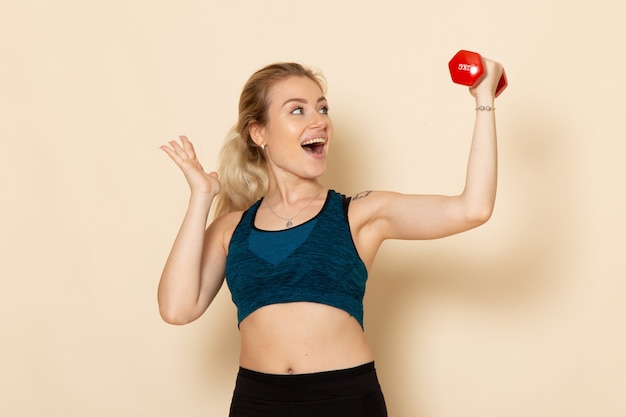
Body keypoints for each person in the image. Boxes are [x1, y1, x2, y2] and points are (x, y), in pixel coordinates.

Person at [158, 58, 504, 417]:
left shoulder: (358, 214)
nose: (318, 120)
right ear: (258, 133)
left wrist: (484, 101)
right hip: (256, 402)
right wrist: (201, 197)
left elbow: (473, 208)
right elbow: (176, 309)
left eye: (322, 108)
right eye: (298, 110)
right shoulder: (232, 229)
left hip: (344, 400)